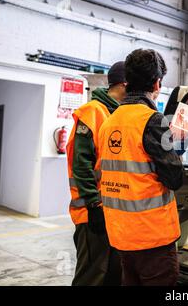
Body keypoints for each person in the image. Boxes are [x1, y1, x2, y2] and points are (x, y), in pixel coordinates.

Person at [97, 49, 185, 286]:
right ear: (157, 83)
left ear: (128, 81)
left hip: (121, 235)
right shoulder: (152, 120)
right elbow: (174, 178)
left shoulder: (109, 122)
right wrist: (177, 145)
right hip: (152, 238)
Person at [67, 61, 126, 286]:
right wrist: (93, 205)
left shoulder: (116, 114)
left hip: (112, 212)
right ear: (124, 84)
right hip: (91, 212)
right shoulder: (93, 111)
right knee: (91, 277)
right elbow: (80, 163)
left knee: (112, 275)